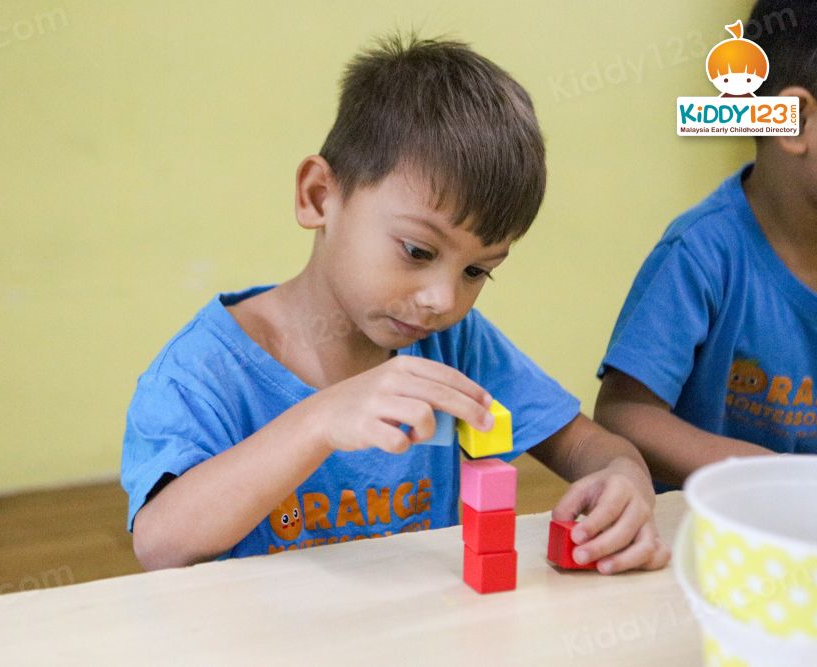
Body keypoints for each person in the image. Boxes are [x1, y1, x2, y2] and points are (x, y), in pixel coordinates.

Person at [122, 32, 671, 575]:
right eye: (417, 250)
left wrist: (625, 477)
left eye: (477, 271)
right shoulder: (204, 371)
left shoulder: (454, 345)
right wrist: (318, 421)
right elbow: (161, 543)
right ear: (319, 197)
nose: (442, 299)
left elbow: (589, 447)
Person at [595, 0, 817, 491]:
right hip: (705, 539)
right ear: (797, 121)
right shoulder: (701, 253)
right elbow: (622, 413)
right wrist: (768, 476)